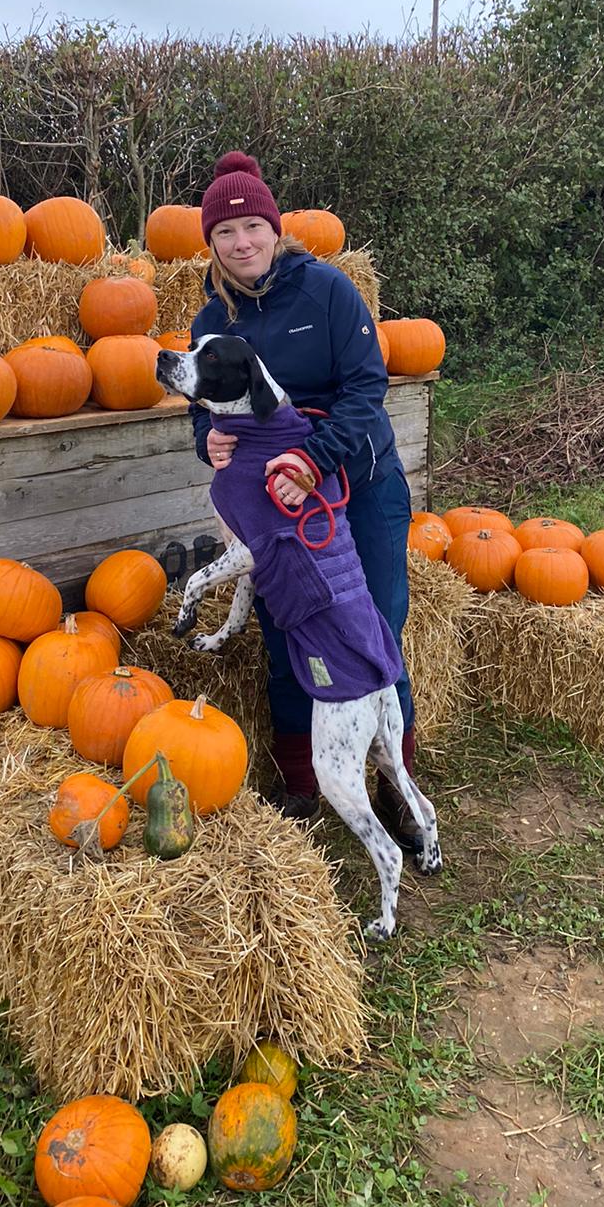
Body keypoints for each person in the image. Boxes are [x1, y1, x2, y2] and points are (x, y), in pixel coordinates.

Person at [186, 149, 422, 850]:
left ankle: (397, 783)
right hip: (275, 503)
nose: (241, 242)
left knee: (376, 629)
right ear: (211, 242)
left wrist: (316, 461)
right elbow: (203, 400)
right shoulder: (212, 318)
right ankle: (300, 782)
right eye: (225, 233)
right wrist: (207, 440)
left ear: (274, 227)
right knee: (287, 628)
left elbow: (366, 386)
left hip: (358, 482)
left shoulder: (327, 291)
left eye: (252, 226)